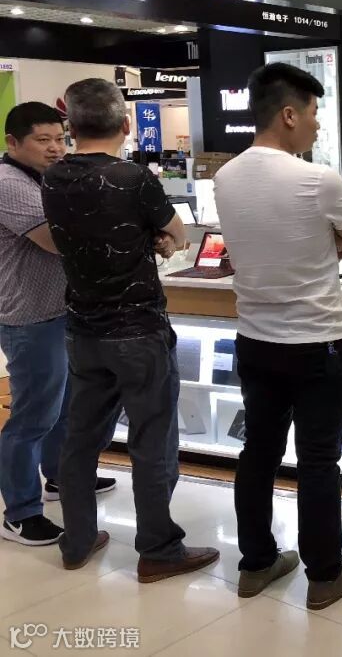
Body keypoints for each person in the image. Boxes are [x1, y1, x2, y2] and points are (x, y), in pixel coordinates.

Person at [42, 78, 218, 578]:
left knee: (80, 438)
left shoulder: (53, 178)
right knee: (152, 439)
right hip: (138, 329)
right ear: (125, 124)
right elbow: (177, 233)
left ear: (71, 126)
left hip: (82, 329)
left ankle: (77, 540)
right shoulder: (133, 178)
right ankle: (158, 549)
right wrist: (159, 241)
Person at [214, 63, 342, 609]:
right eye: (313, 113)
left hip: (255, 339)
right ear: (288, 114)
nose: (317, 125)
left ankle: (256, 563)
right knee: (318, 459)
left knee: (257, 451)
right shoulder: (318, 179)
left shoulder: (226, 177)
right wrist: (333, 239)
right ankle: (325, 576)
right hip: (319, 341)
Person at [0, 103, 116, 547]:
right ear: (13, 143)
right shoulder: (9, 182)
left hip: (62, 310)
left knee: (66, 407)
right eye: (42, 140)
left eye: (59, 139)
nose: (55, 148)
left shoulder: (45, 178)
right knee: (33, 417)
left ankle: (60, 478)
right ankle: (20, 513)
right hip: (30, 317)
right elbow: (56, 239)